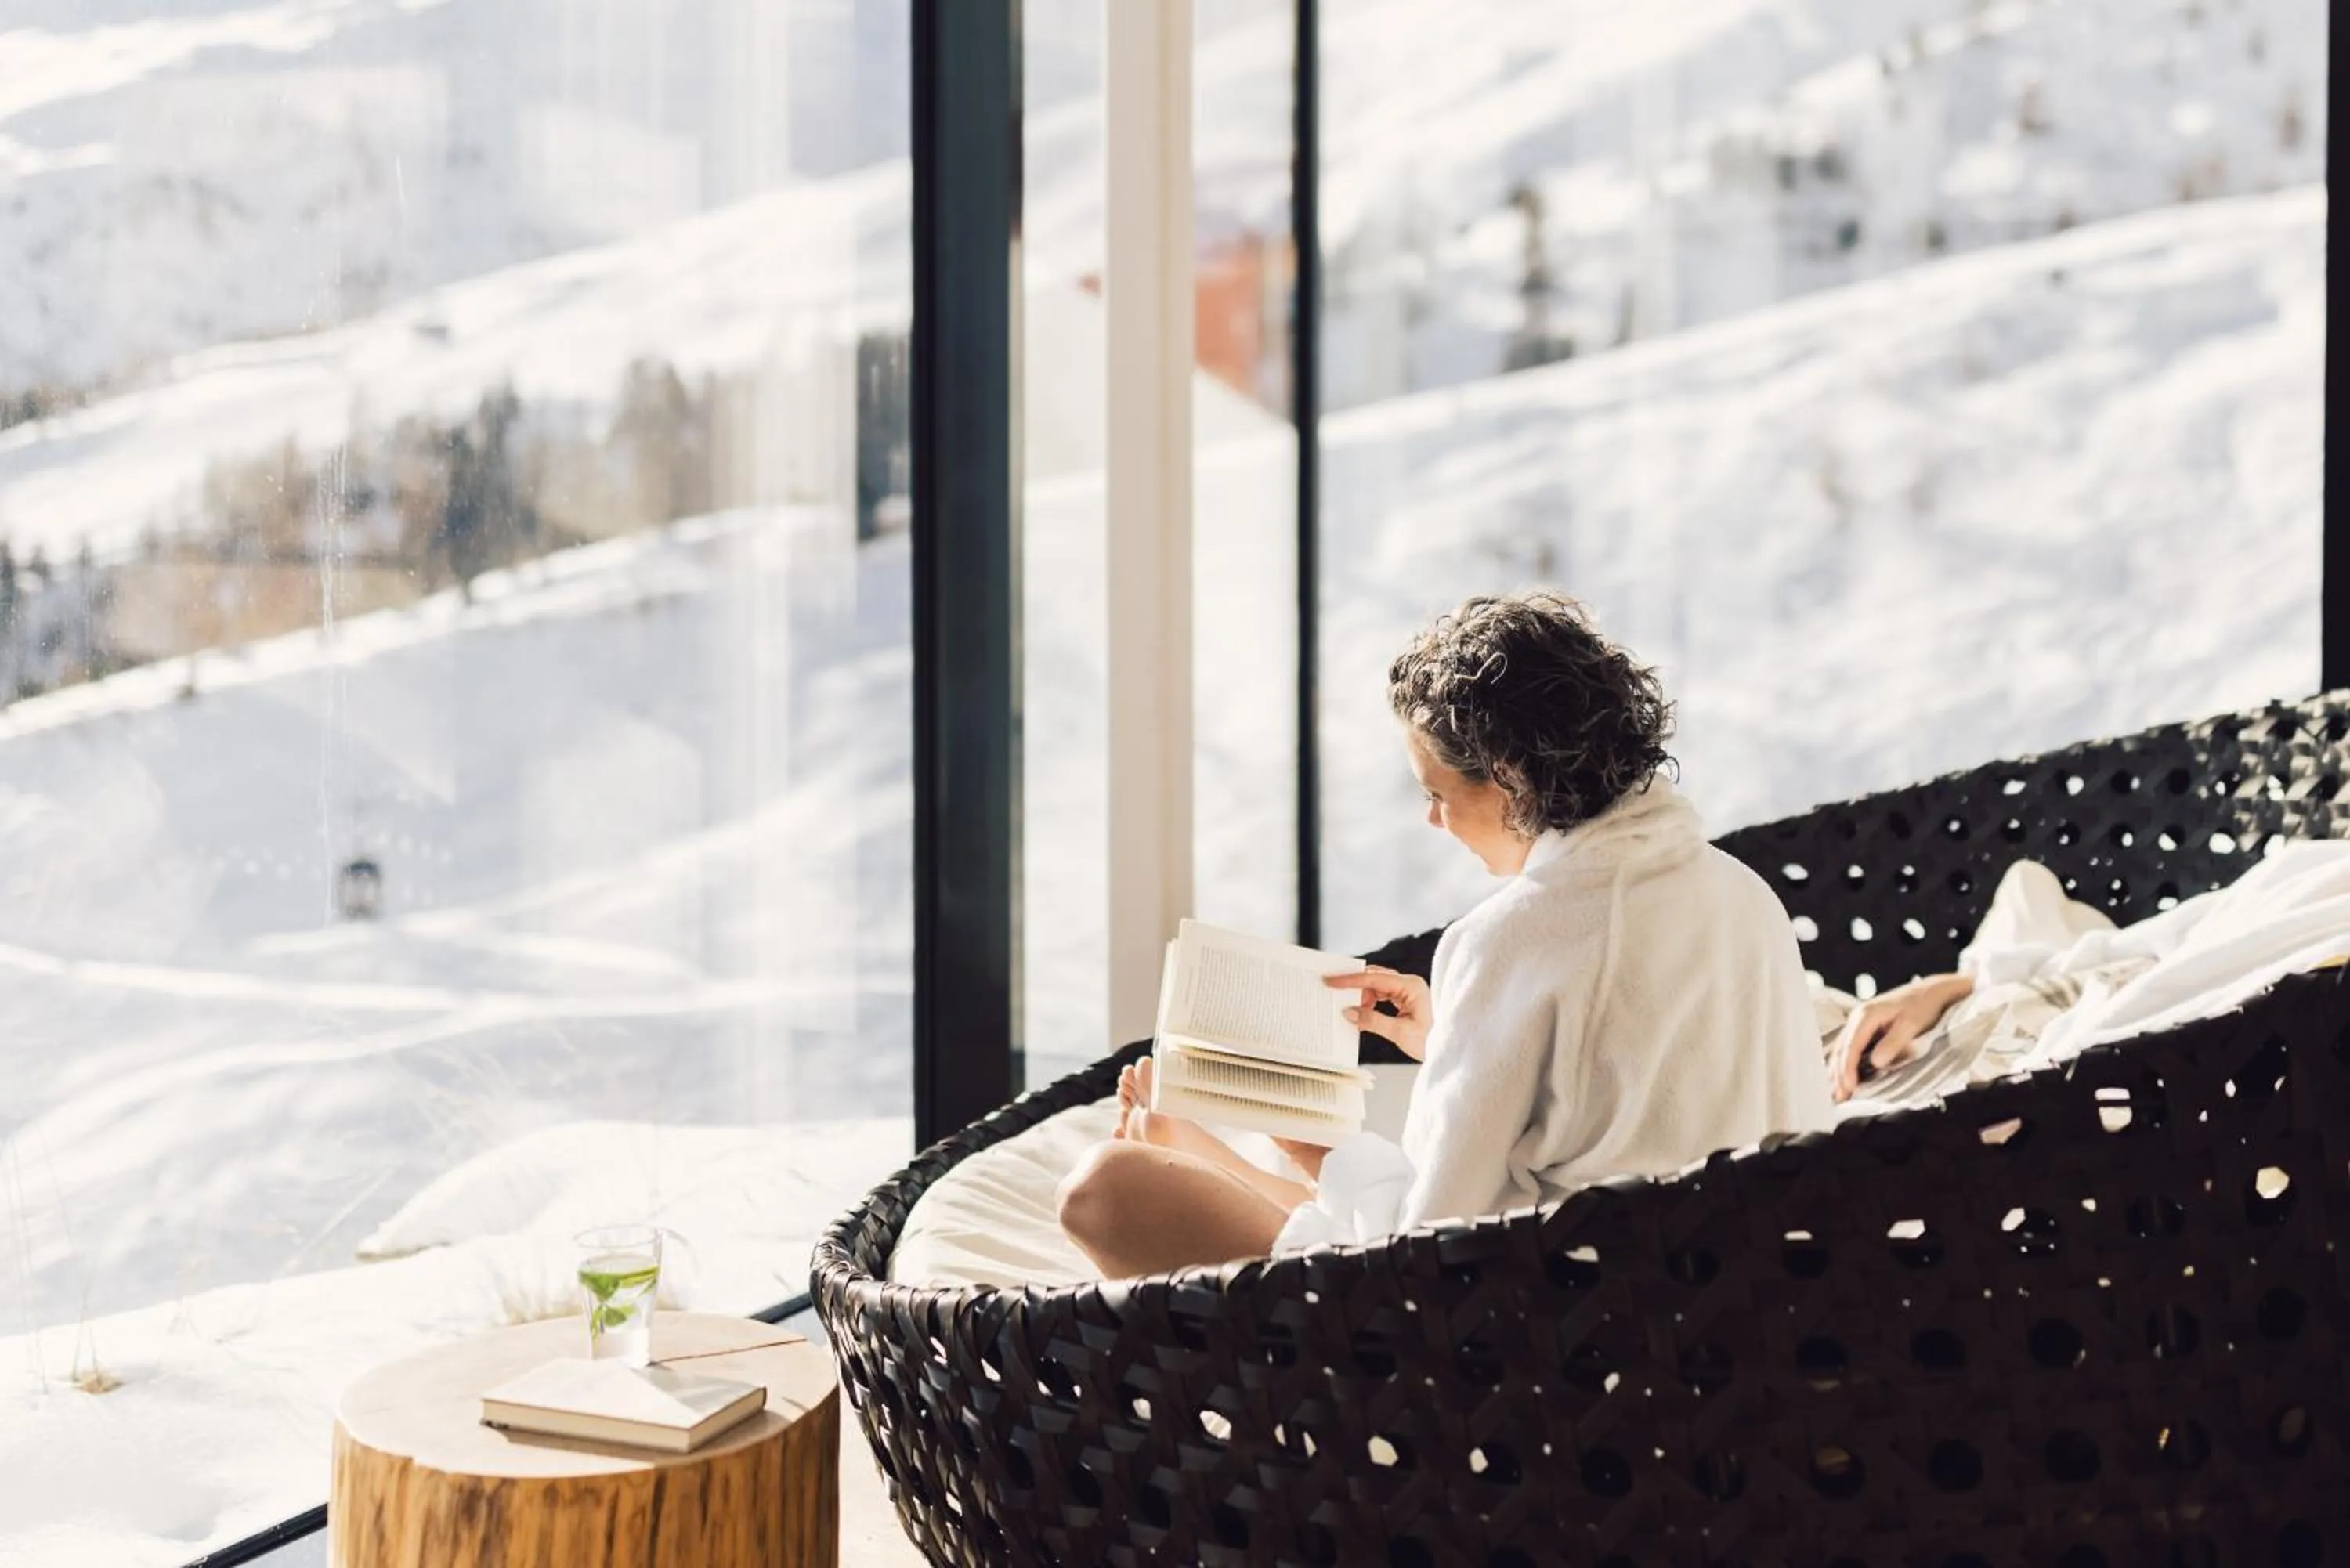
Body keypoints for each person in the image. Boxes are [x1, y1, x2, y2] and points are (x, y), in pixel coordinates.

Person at [1056, 591, 1835, 1278]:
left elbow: (1427, 1251)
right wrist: (1452, 1037)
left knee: (1106, 1188)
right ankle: (1193, 1143)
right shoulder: (1744, 895)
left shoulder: (1513, 938)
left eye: (1437, 793)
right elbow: (1636, 1089)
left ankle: (1192, 1147)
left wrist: (1314, 1145)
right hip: (1742, 1315)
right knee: (1325, 1191)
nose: (1434, 819)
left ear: (1509, 778)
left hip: (1559, 1359)